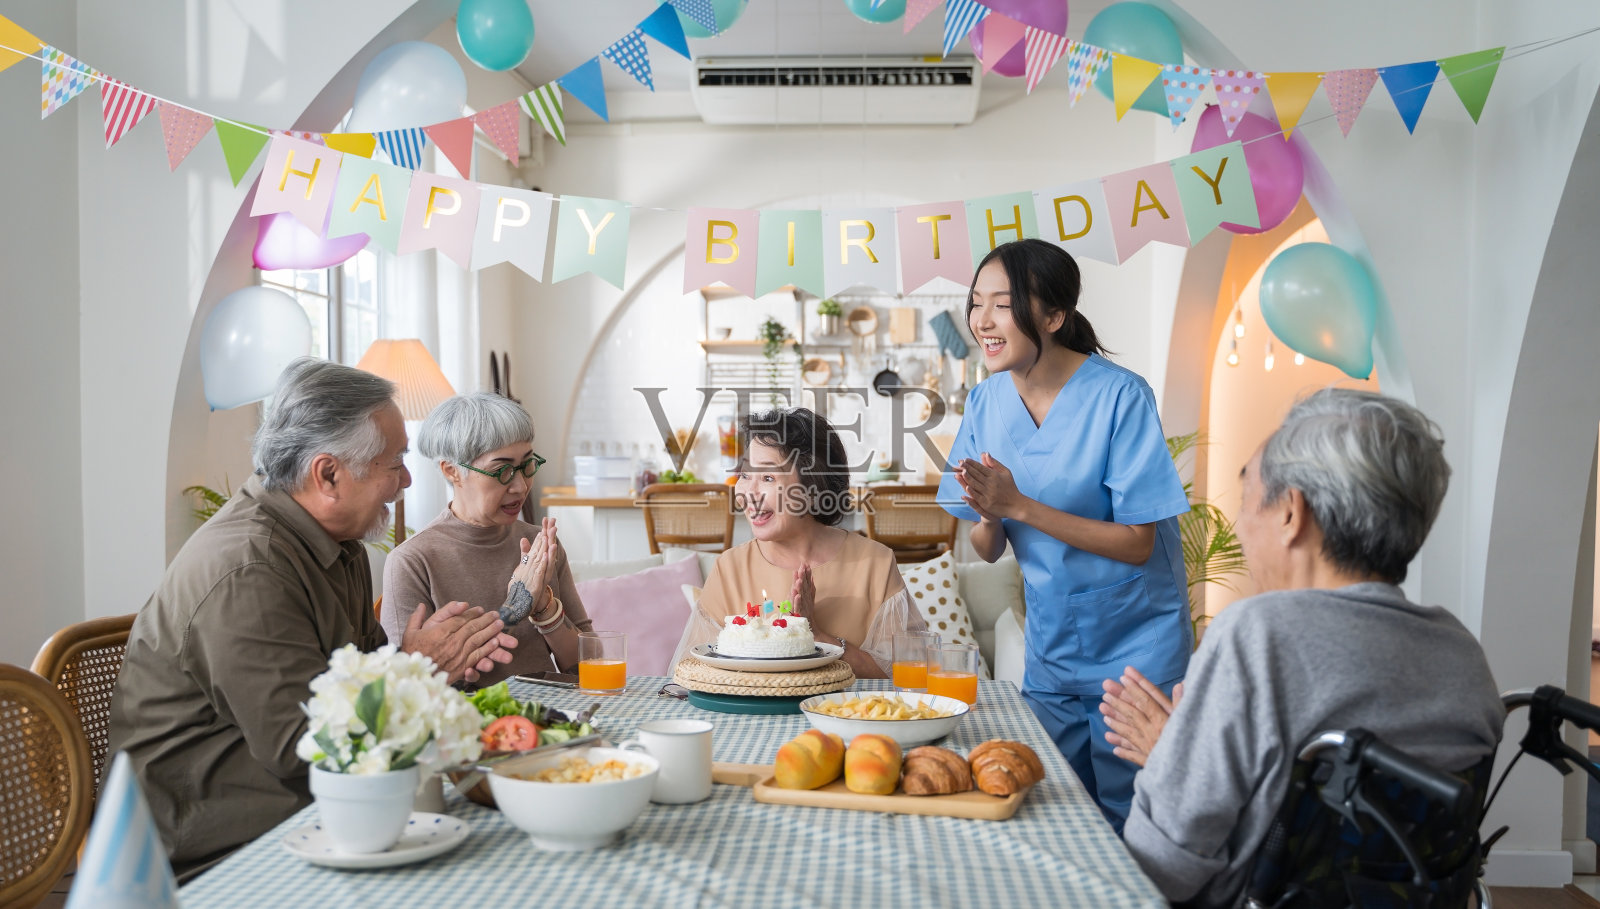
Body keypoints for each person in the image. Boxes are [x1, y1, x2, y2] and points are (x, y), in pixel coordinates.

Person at [107, 358, 518, 880]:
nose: (407, 480)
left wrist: (411, 669)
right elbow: (306, 746)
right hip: (211, 850)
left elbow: (358, 679)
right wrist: (416, 668)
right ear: (328, 474)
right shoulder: (248, 569)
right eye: (394, 463)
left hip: (312, 812)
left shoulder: (334, 544)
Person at [1101, 389, 1504, 908]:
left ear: (1292, 512)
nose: (1240, 527)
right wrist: (1187, 757)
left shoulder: (1258, 635)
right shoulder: (1462, 655)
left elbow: (1161, 873)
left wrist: (1170, 764)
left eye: (1246, 501)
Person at [938, 238, 1192, 831]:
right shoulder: (985, 400)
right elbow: (987, 544)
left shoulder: (1120, 396)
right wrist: (993, 513)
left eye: (1002, 304)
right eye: (977, 303)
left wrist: (1018, 505)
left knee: (1138, 816)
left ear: (1053, 317)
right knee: (1053, 809)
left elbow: (1137, 542)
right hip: (1052, 643)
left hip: (1138, 647)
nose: (982, 320)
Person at [675, 408, 923, 679]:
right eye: (746, 474)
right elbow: (695, 673)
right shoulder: (729, 568)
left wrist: (815, 634)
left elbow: (906, 677)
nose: (748, 492)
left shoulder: (876, 564)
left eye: (768, 478)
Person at [383, 391, 593, 682]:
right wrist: (515, 608)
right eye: (502, 470)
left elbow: (589, 669)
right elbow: (406, 685)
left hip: (556, 719)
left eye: (527, 465)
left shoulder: (541, 544)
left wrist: (544, 607)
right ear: (452, 471)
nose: (520, 486)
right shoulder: (413, 561)